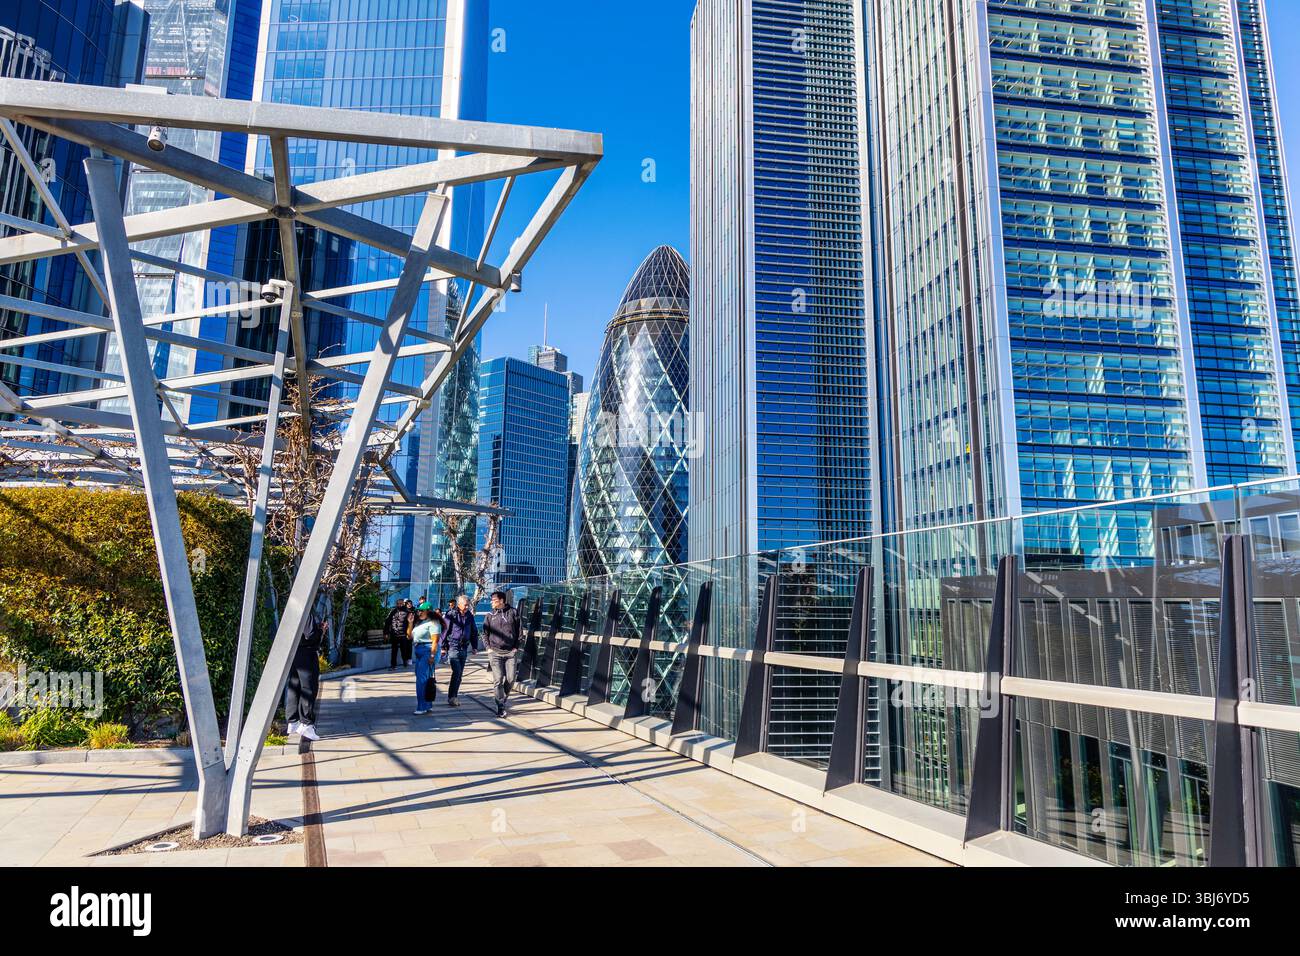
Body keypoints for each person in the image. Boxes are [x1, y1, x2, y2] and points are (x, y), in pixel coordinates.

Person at [287, 613, 327, 741]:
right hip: (306, 652)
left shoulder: (295, 608)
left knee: (295, 686)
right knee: (309, 688)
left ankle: (293, 721)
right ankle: (306, 724)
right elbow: (310, 635)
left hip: (295, 652)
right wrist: (321, 630)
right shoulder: (307, 609)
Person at [482, 590, 521, 717]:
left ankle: (501, 697)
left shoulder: (513, 612)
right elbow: (484, 633)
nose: (492, 602)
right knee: (498, 680)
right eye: (492, 600)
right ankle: (500, 706)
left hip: (510, 652)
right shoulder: (489, 615)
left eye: (494, 600)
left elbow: (520, 632)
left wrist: (516, 647)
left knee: (510, 679)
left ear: (502, 601)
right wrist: (488, 648)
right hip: (495, 652)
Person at [441, 593, 479, 707]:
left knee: (459, 675)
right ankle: (452, 697)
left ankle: (453, 696)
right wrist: (443, 647)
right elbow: (444, 631)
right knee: (456, 672)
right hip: (453, 647)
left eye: (468, 605)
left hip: (464, 648)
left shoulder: (469, 616)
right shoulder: (451, 614)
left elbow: (474, 631)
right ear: (459, 604)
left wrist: (475, 646)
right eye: (466, 605)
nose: (467, 607)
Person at [408, 603, 443, 716]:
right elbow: (409, 636)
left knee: (421, 680)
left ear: (428, 611)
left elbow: (435, 641)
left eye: (421, 611)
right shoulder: (420, 622)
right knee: (423, 678)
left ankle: (421, 706)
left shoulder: (434, 623)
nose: (419, 612)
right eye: (418, 610)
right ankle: (427, 705)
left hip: (428, 650)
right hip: (419, 649)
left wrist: (432, 656)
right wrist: (410, 622)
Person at [384, 598, 413, 670]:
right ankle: (393, 665)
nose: (399, 605)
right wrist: (386, 632)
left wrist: (409, 633)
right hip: (394, 634)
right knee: (394, 651)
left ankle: (405, 662)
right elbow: (387, 622)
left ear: (403, 604)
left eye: (401, 603)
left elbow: (411, 624)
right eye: (398, 603)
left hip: (403, 635)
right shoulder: (393, 611)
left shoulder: (408, 612)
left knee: (404, 650)